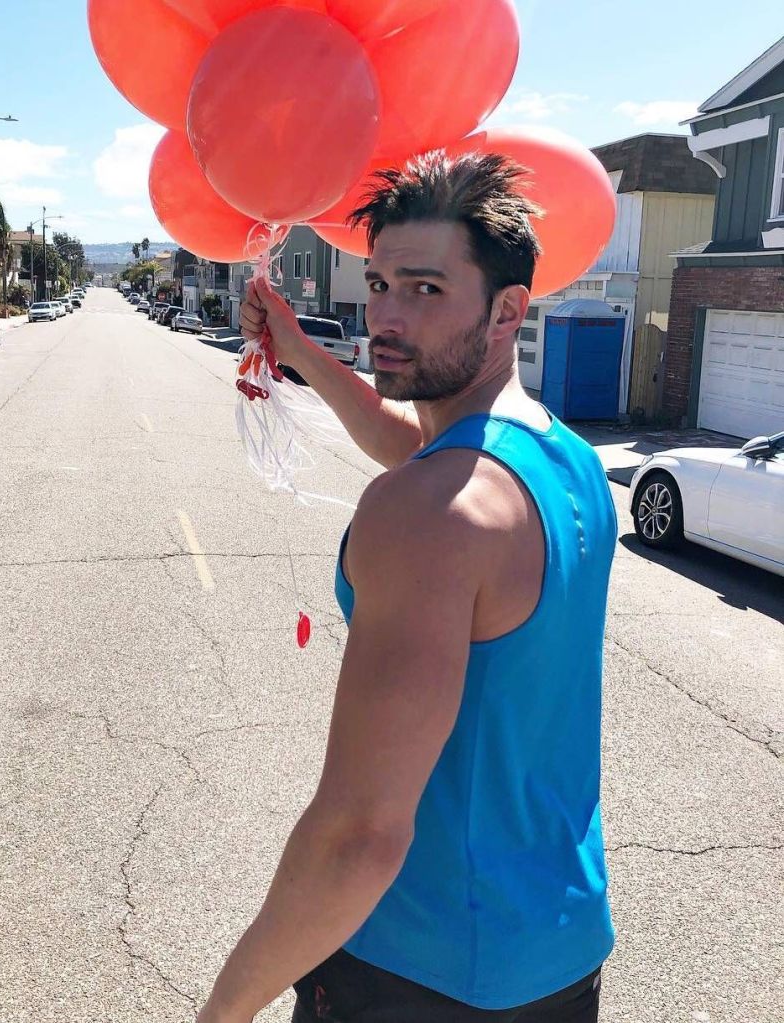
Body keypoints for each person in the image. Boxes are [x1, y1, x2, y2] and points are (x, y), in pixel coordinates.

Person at [197, 152, 617, 1023]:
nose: (385, 314)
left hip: (418, 973)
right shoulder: (560, 461)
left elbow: (359, 834)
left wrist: (221, 1011)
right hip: (558, 952)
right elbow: (417, 444)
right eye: (380, 281)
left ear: (509, 311)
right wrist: (298, 346)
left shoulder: (428, 513)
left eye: (425, 290)